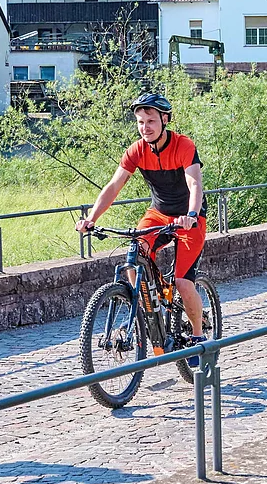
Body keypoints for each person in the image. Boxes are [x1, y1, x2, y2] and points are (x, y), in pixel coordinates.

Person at [78, 92, 209, 339]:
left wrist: (191, 214)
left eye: (150, 121)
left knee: (182, 282)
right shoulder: (137, 151)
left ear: (165, 120)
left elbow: (195, 185)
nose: (145, 127)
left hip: (189, 219)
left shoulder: (183, 145)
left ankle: (198, 334)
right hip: (158, 214)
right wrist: (91, 218)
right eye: (140, 122)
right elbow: (113, 187)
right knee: (134, 255)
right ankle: (148, 307)